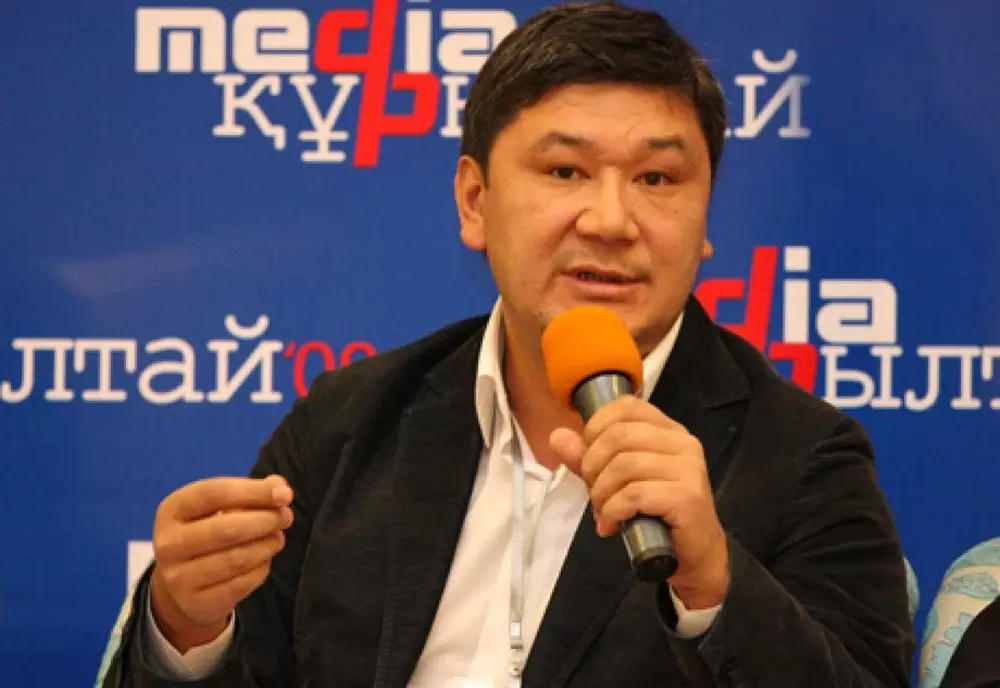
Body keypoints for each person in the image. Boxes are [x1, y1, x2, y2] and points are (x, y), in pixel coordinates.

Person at [99, 2, 915, 685]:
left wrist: (714, 585)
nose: (611, 220)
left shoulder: (804, 458)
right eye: (564, 172)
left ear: (704, 220)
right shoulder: (352, 422)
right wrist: (186, 628)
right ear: (475, 202)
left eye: (657, 179)